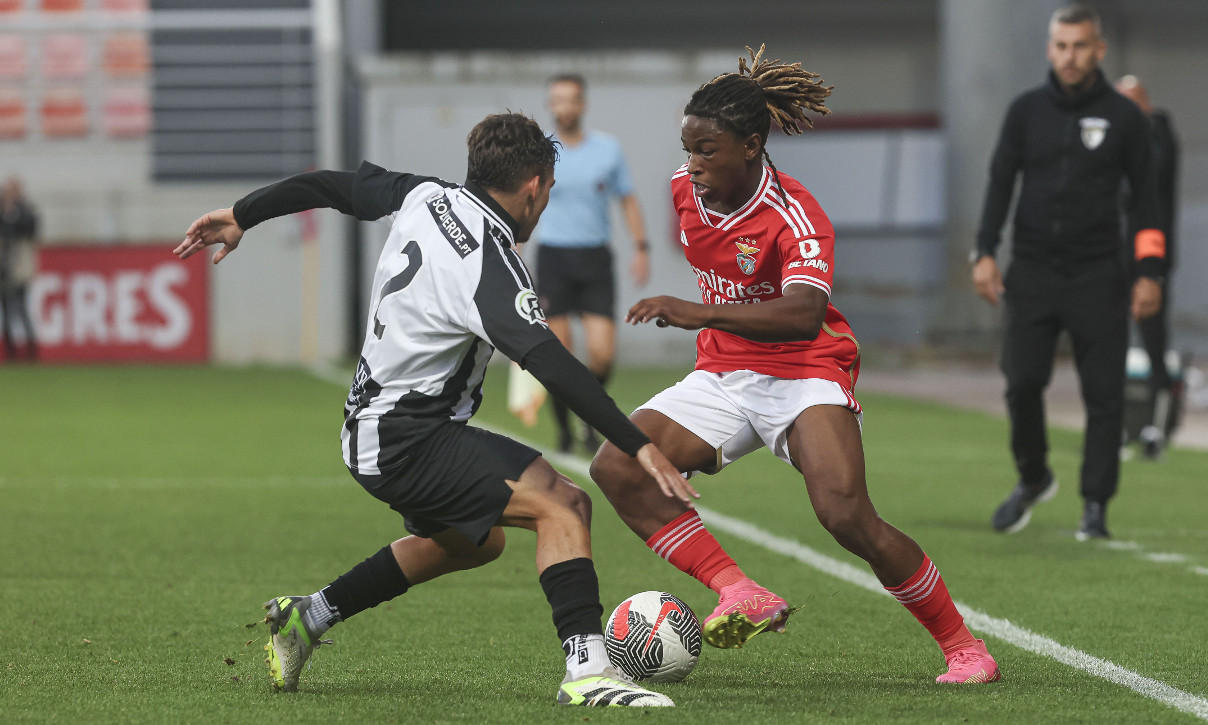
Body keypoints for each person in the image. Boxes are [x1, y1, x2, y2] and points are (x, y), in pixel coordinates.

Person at [174, 112, 692, 707]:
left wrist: (243, 213)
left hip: (373, 430)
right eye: (548, 190)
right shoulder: (489, 264)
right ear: (534, 185)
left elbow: (329, 185)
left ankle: (307, 617)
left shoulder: (426, 195)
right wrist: (638, 443)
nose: (546, 203)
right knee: (563, 504)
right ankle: (589, 674)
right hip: (406, 438)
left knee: (476, 542)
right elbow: (550, 362)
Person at [589, 45, 1000, 685]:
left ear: (752, 145)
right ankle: (737, 589)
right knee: (619, 464)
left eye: (707, 151)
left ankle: (963, 647)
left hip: (806, 369)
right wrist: (711, 325)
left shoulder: (797, 216)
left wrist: (700, 312)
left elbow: (804, 314)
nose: (691, 165)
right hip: (725, 373)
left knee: (845, 515)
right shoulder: (683, 189)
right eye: (687, 148)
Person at [972, 4, 1167, 541]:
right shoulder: (1025, 111)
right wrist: (984, 251)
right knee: (1022, 384)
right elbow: (999, 184)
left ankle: (1095, 507)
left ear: (1099, 50)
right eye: (1061, 46)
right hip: (1031, 271)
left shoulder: (1126, 119)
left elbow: (1148, 204)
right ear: (1049, 49)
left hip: (1098, 275)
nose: (1070, 56)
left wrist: (1150, 271)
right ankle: (1034, 477)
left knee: (1103, 396)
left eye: (1080, 46)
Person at [534, 74, 652, 454]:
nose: (564, 107)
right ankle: (566, 431)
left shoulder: (608, 150)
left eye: (571, 99)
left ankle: (587, 413)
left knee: (602, 354)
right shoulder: (539, 151)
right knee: (561, 352)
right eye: (557, 100)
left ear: (582, 105)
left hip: (595, 259)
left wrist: (641, 246)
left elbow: (627, 199)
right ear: (550, 105)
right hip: (553, 257)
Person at [1115, 74, 1180, 459]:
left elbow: (1146, 184)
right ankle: (1121, 426)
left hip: (1149, 257)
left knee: (1153, 339)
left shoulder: (1158, 137)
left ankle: (1157, 425)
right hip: (1111, 256)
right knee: (1111, 342)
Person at [0, 176, 40, 361]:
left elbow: (29, 229)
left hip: (20, 266)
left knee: (22, 307)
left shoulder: (25, 211)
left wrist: (13, 212)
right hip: (4, 266)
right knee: (6, 309)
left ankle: (31, 352)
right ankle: (11, 351)